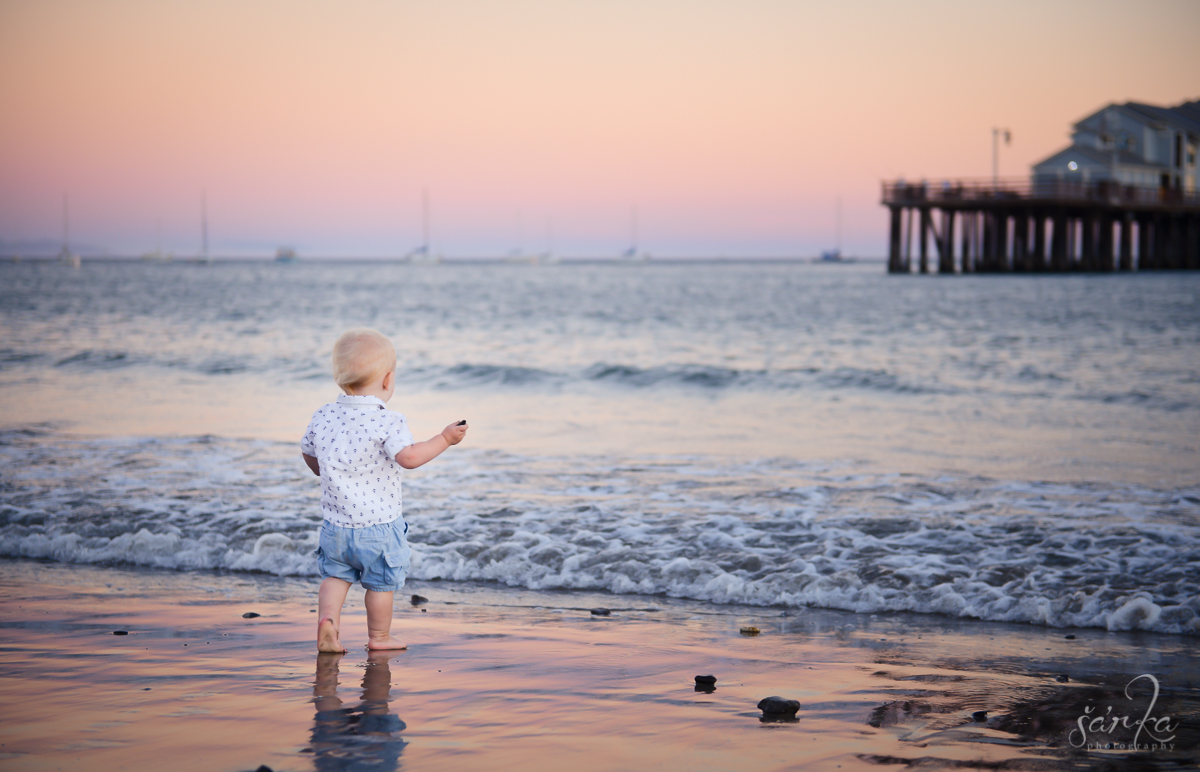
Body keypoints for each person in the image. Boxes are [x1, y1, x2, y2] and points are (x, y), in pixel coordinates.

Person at [301, 328, 467, 653]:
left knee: (335, 578)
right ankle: (379, 638)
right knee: (380, 585)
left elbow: (310, 453)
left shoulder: (322, 415)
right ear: (388, 380)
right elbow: (410, 457)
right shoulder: (388, 421)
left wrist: (324, 472)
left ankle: (328, 624)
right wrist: (445, 439)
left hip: (335, 527)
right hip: (378, 527)